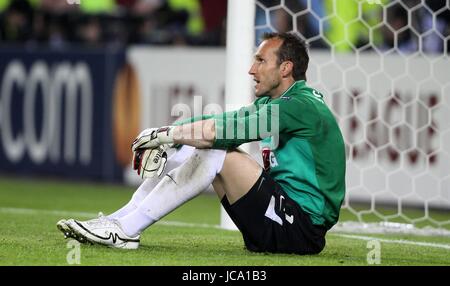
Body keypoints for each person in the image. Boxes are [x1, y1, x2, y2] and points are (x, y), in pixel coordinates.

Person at [57, 32, 346, 255]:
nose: (251, 69)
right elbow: (218, 120)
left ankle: (126, 230)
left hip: (302, 228)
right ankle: (118, 221)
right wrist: (168, 133)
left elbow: (224, 131)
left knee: (216, 150)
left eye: (260, 60)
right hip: (281, 218)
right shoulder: (277, 103)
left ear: (285, 68)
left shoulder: (300, 106)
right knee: (201, 143)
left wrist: (165, 136)